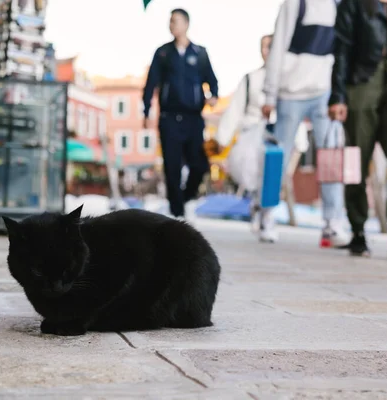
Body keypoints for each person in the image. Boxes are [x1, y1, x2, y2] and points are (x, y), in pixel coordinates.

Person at [328, 0, 387, 257]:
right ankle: (358, 230)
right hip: (361, 81)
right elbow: (342, 49)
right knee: (356, 162)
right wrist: (338, 96)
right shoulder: (354, 4)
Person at [261, 0, 350, 246]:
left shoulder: (337, 4)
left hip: (324, 92)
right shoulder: (294, 3)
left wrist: (339, 95)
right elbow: (278, 45)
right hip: (291, 92)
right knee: (279, 157)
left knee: (331, 157)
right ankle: (266, 215)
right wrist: (270, 93)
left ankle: (332, 223)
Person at [214, 35, 308, 242]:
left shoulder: (288, 80)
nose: (267, 51)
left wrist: (299, 141)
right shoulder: (251, 79)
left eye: (271, 47)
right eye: (264, 47)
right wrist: (222, 137)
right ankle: (258, 205)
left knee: (272, 176)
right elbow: (235, 109)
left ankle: (267, 216)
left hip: (277, 137)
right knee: (254, 175)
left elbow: (293, 112)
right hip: (251, 136)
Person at [142, 8, 219, 221]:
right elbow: (151, 83)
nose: (171, 25)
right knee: (172, 167)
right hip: (169, 118)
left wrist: (214, 95)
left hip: (194, 119)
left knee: (199, 165)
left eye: (175, 21)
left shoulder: (200, 53)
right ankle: (177, 214)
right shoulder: (163, 53)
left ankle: (185, 199)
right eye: (170, 22)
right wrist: (146, 110)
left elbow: (212, 80)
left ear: (186, 24)